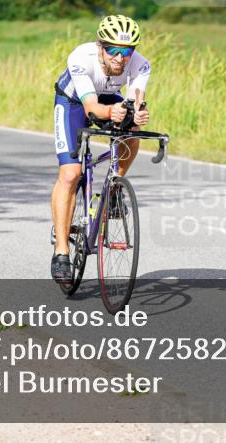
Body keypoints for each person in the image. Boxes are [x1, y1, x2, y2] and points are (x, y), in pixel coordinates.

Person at [50, 15, 150, 284]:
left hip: (109, 97)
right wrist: (111, 112)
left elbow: (135, 102)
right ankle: (61, 251)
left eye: (127, 51)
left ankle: (114, 187)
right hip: (74, 100)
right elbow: (91, 108)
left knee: (132, 131)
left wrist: (137, 115)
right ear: (100, 47)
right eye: (113, 50)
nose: (120, 58)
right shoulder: (80, 58)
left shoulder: (141, 65)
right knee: (71, 174)